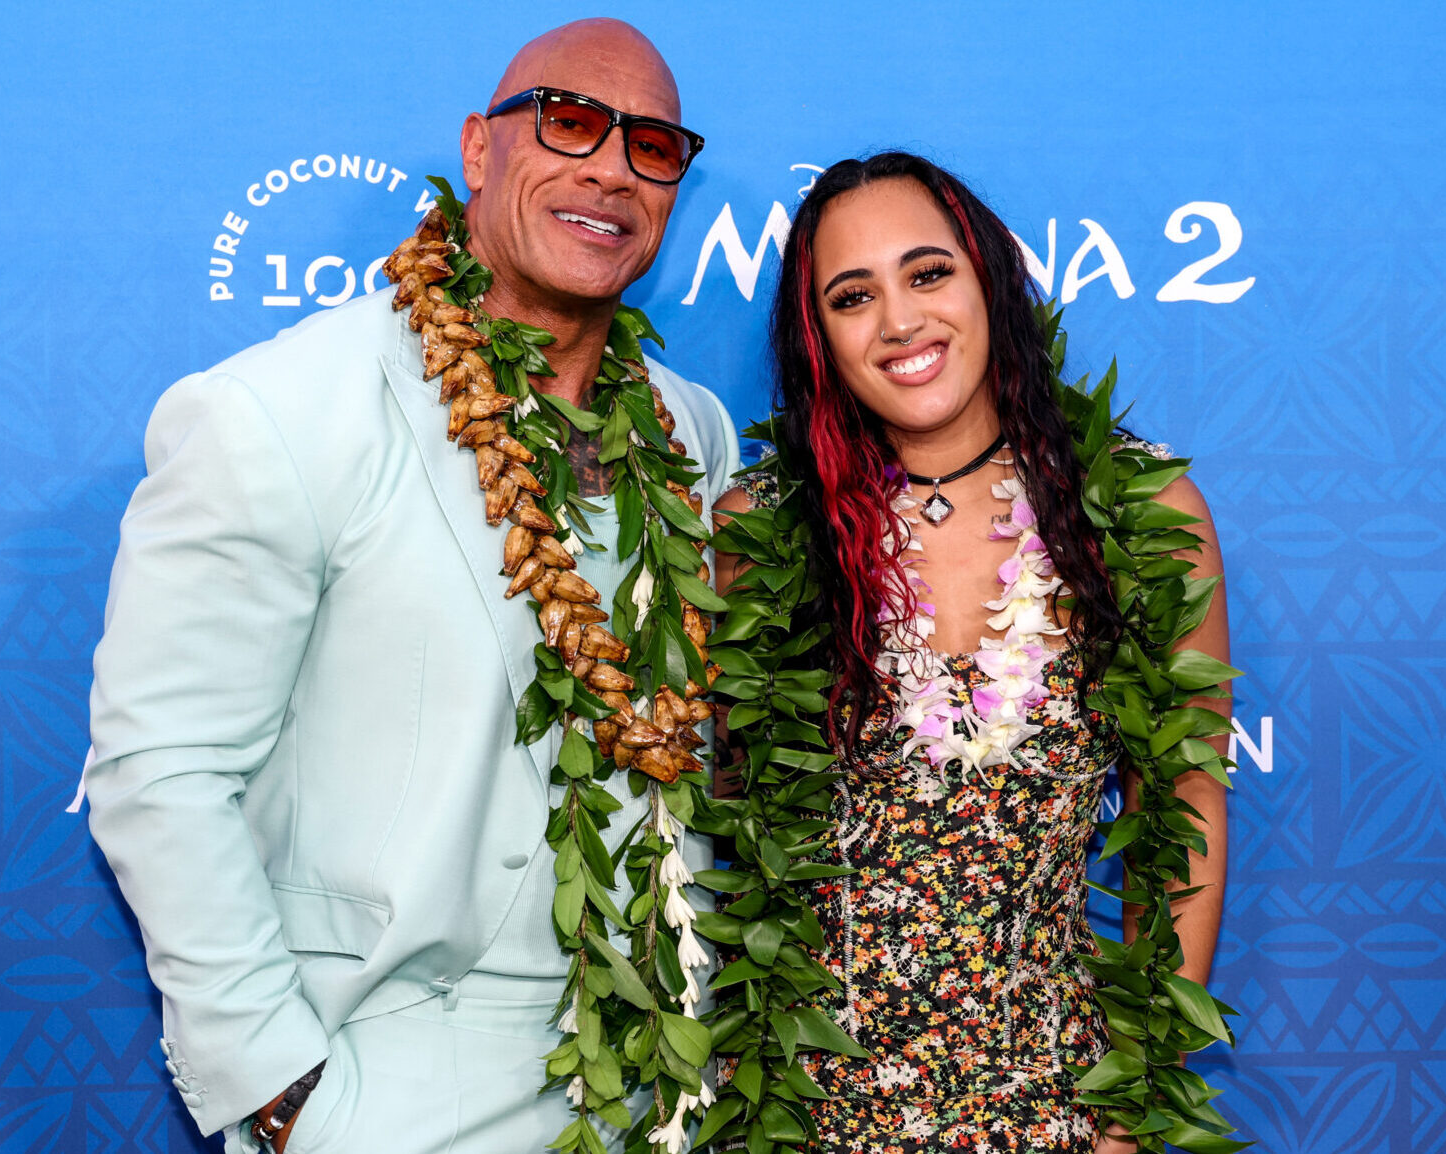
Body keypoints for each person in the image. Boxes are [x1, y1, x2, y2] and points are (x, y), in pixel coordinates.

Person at [83, 20, 738, 1154]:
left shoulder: (688, 433)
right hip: (394, 1076)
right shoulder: (279, 415)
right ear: (478, 150)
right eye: (569, 121)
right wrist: (286, 1096)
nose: (609, 169)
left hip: (657, 1081)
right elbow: (159, 769)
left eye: (653, 146)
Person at [715, 153, 1231, 1153]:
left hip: (1060, 1101)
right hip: (807, 1115)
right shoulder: (760, 531)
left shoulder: (1136, 513)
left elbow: (1188, 805)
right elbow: (731, 837)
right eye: (852, 295)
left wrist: (1135, 1104)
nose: (899, 321)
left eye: (927, 272)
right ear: (817, 334)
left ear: (989, 278)